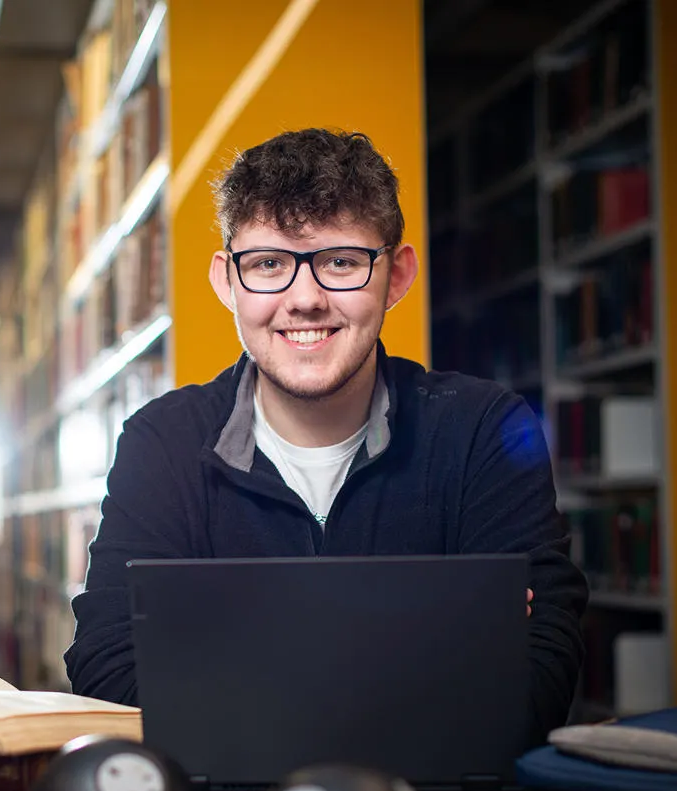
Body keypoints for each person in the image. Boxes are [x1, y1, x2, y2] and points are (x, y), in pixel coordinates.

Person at [63, 127, 588, 742]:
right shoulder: (162, 443)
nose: (304, 299)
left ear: (396, 276)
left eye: (341, 262)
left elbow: (537, 681)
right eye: (267, 265)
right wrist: (434, 649)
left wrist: (220, 666)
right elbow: (107, 668)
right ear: (226, 282)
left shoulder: (485, 432)